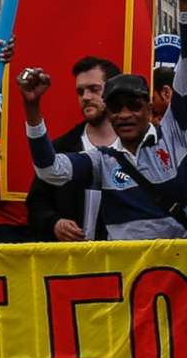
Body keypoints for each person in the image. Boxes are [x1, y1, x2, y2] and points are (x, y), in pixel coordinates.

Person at [26, 55, 124, 242]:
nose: (86, 97)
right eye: (80, 92)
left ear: (113, 91)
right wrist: (54, 223)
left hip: (123, 260)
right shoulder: (62, 147)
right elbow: (37, 203)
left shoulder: (139, 146)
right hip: (71, 261)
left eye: (94, 90)